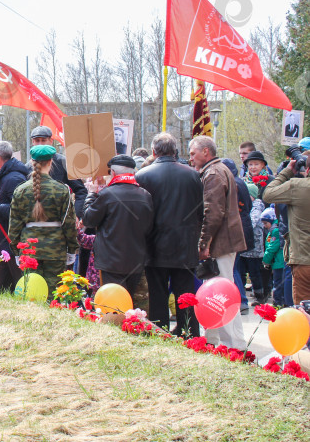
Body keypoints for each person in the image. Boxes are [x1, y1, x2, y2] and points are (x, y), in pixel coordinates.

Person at [135, 133, 203, 338]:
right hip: (185, 244)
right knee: (186, 294)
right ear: (175, 151)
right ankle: (189, 333)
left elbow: (140, 214)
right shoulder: (193, 175)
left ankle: (160, 331)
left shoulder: (143, 175)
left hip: (155, 246)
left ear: (154, 152)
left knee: (158, 294)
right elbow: (200, 211)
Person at [189, 135, 247, 348]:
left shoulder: (213, 173)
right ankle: (220, 340)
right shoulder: (218, 170)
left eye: (193, 153)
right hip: (224, 242)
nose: (191, 158)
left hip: (220, 243)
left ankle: (231, 345)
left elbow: (212, 212)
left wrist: (204, 244)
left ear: (206, 152)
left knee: (221, 295)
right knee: (222, 291)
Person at [81, 155, 154, 312]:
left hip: (110, 262)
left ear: (113, 173)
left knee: (113, 307)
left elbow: (88, 219)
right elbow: (149, 228)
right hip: (136, 261)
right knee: (132, 307)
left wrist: (91, 194)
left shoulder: (107, 195)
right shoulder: (145, 195)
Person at [8, 145, 77, 293]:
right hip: (56, 250)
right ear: (51, 162)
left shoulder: (20, 190)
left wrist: (15, 250)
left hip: (29, 250)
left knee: (32, 293)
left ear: (32, 163)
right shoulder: (62, 189)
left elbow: (14, 226)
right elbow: (69, 224)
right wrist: (72, 249)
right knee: (54, 293)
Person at [263, 156, 310, 303]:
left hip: (303, 259)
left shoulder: (298, 186)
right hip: (302, 258)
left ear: (307, 169)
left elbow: (268, 194)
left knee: (304, 312)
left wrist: (287, 171)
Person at [0, 140, 31, 292]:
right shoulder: (5, 177)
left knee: (19, 285)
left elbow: (22, 210)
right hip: (5, 244)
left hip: (12, 242)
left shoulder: (14, 179)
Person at [28, 126, 88, 217]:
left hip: (60, 220)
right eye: (37, 140)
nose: (40, 144)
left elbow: (81, 191)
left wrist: (76, 215)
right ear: (32, 142)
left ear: (51, 141)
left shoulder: (63, 162)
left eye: (43, 140)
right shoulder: (27, 166)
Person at [222, 158, 256, 315]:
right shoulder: (240, 182)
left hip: (237, 229)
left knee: (233, 267)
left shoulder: (232, 184)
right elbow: (248, 206)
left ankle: (241, 300)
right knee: (237, 267)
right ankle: (240, 300)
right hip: (244, 226)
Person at [261, 208, 287, 305]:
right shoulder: (274, 230)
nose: (265, 226)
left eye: (265, 223)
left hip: (279, 262)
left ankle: (277, 304)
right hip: (278, 262)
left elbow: (272, 248)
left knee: (278, 284)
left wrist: (265, 260)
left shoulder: (275, 231)